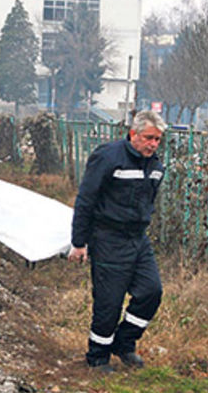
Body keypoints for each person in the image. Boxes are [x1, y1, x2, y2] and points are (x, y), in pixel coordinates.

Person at [68, 110, 166, 373]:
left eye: (157, 140)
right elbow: (86, 199)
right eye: (148, 138)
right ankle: (97, 357)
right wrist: (79, 241)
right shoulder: (108, 157)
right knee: (109, 302)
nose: (153, 144)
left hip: (138, 239)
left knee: (151, 291)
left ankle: (124, 343)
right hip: (108, 238)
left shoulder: (156, 166)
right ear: (133, 134)